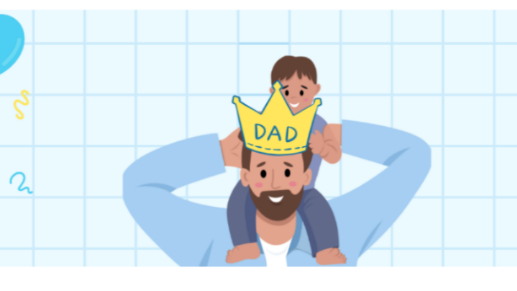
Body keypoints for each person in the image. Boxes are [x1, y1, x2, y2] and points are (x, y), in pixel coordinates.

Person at [122, 113, 430, 267]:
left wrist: (338, 135)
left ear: (306, 175)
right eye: (263, 171)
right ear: (245, 176)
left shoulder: (342, 230)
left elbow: (415, 156)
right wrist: (218, 153)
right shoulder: (210, 239)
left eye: (286, 171)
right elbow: (137, 186)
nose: (274, 183)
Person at [227, 55, 343, 264]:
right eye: (286, 91)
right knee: (239, 198)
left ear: (316, 90)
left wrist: (323, 147)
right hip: (262, 183)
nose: (294, 96)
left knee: (319, 210)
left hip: (303, 187)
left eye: (302, 91)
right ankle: (245, 244)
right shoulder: (266, 120)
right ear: (273, 92)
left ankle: (326, 249)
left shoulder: (319, 124)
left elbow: (335, 156)